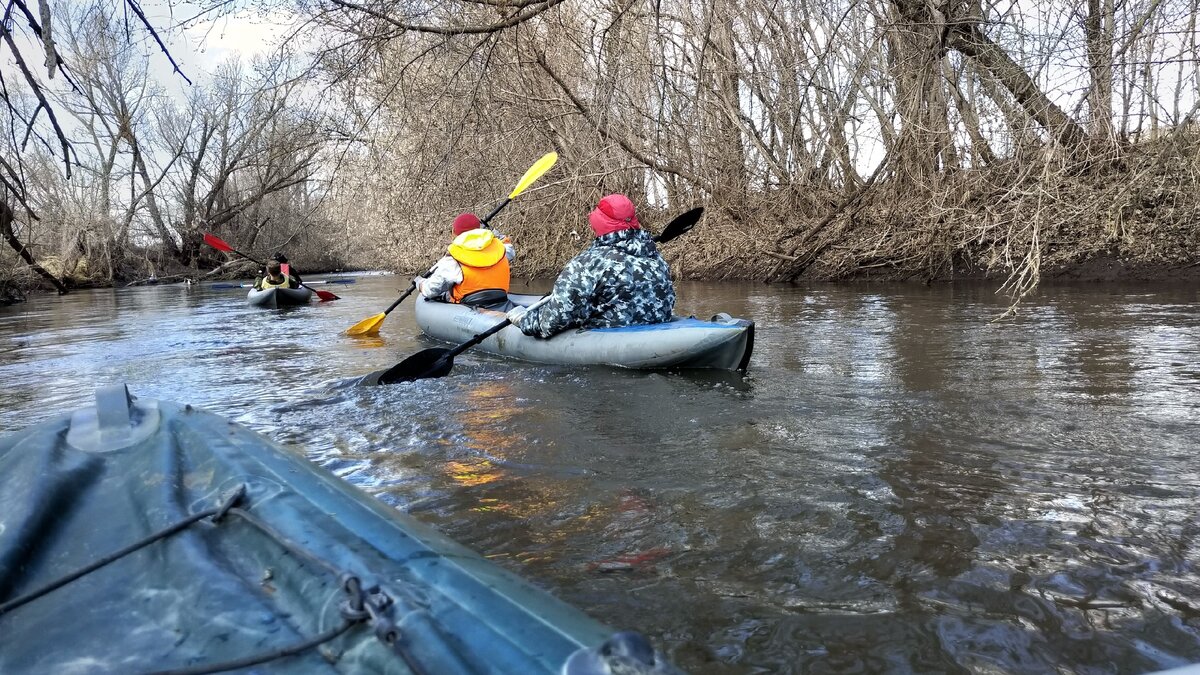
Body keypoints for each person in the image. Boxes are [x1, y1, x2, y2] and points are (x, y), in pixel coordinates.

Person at [507, 194, 674, 338]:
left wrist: (524, 320)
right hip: (653, 335)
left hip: (609, 342)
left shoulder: (588, 264)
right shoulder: (656, 257)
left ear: (599, 223)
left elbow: (553, 321)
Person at [416, 213, 515, 309]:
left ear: (454, 233)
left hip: (469, 307)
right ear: (480, 230)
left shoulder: (452, 260)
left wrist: (420, 283)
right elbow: (508, 246)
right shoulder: (501, 250)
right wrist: (491, 231)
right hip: (500, 301)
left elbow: (431, 290)